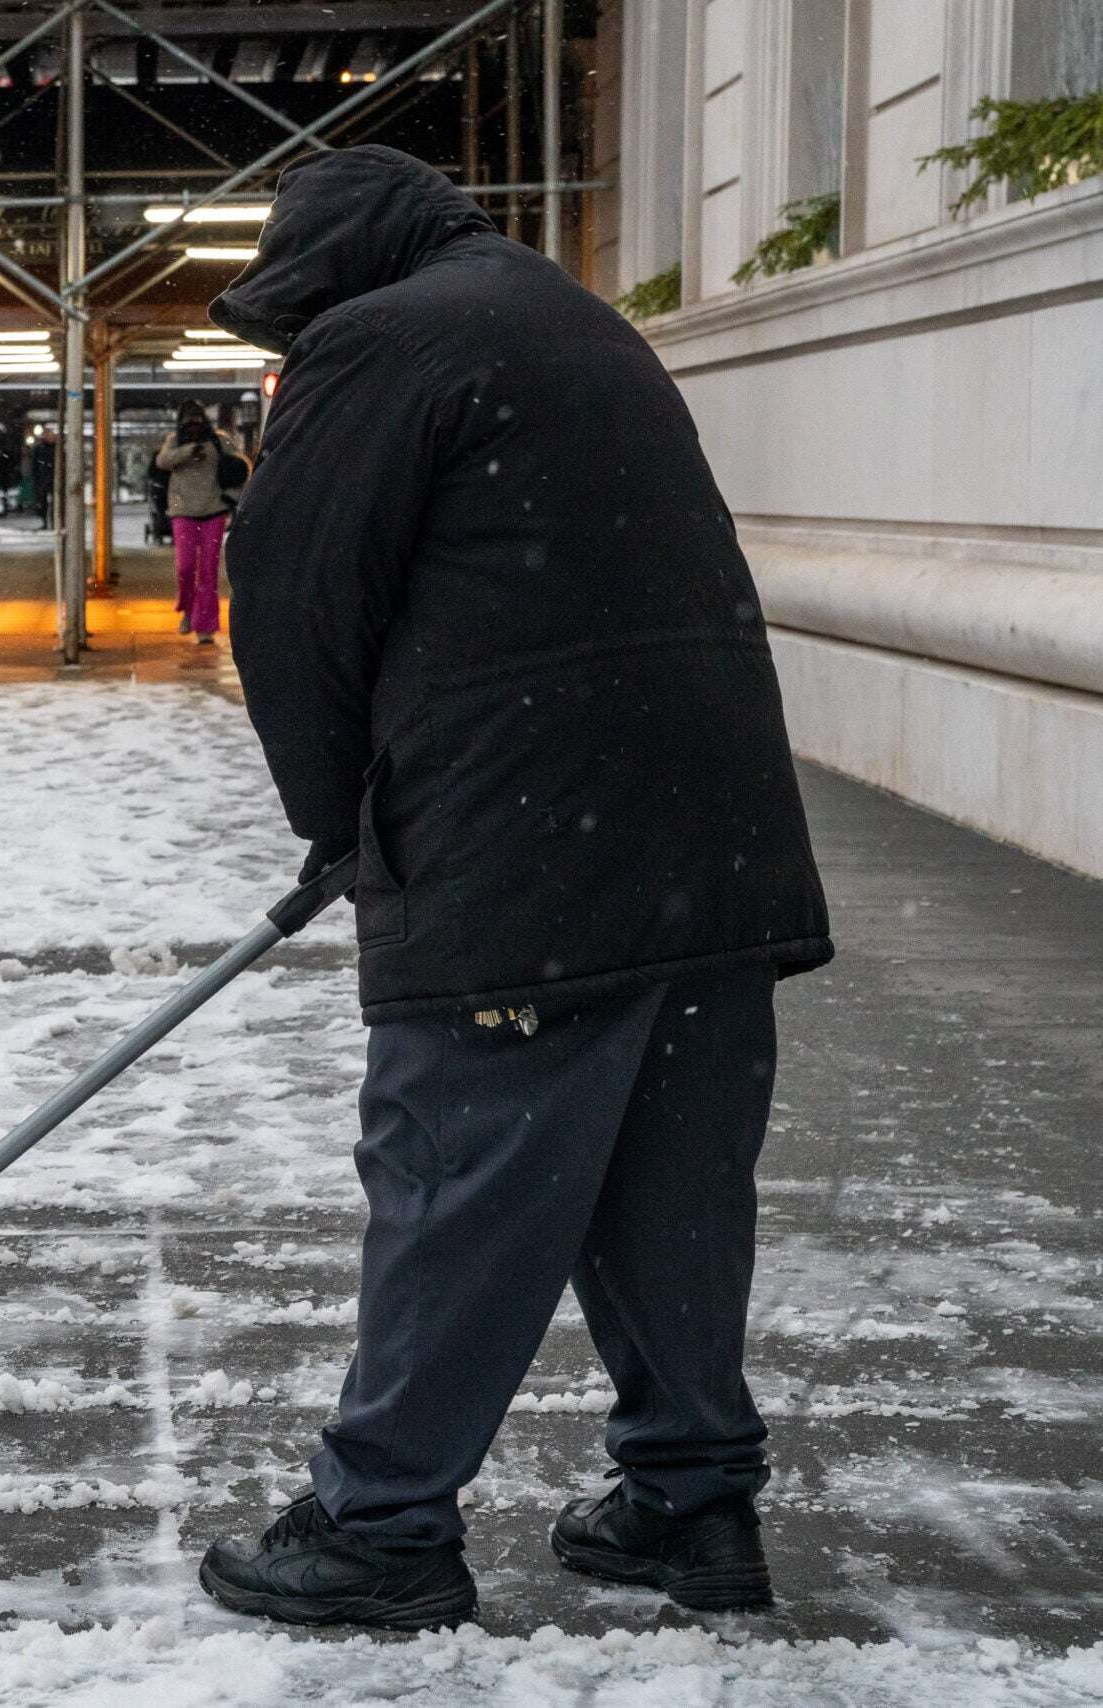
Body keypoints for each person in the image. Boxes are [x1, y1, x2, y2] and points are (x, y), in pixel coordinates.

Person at [196, 144, 833, 1631]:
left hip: (529, 842)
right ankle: (691, 1508)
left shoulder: (377, 341)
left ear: (332, 272)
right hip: (713, 844)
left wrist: (340, 817)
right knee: (669, 1180)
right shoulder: (575, 321)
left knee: (457, 1174)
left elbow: (291, 602)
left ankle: (381, 1528)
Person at [152, 400, 242, 643]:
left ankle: (206, 626)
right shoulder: (175, 441)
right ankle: (189, 610)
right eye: (189, 423)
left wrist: (231, 498)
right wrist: (188, 450)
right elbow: (162, 461)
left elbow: (240, 467)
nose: (194, 427)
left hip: (214, 510)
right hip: (183, 511)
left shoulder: (219, 440)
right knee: (185, 567)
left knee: (209, 572)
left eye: (198, 422)